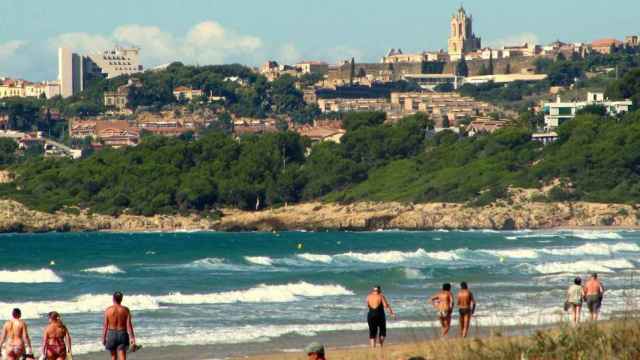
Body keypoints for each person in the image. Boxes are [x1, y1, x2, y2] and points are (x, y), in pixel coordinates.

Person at [103, 292, 136, 360]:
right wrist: (132, 338)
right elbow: (129, 325)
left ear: (113, 299)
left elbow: (105, 325)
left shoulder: (108, 310)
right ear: (121, 299)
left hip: (111, 334)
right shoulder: (126, 310)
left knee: (113, 357)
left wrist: (103, 338)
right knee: (122, 357)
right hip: (122, 333)